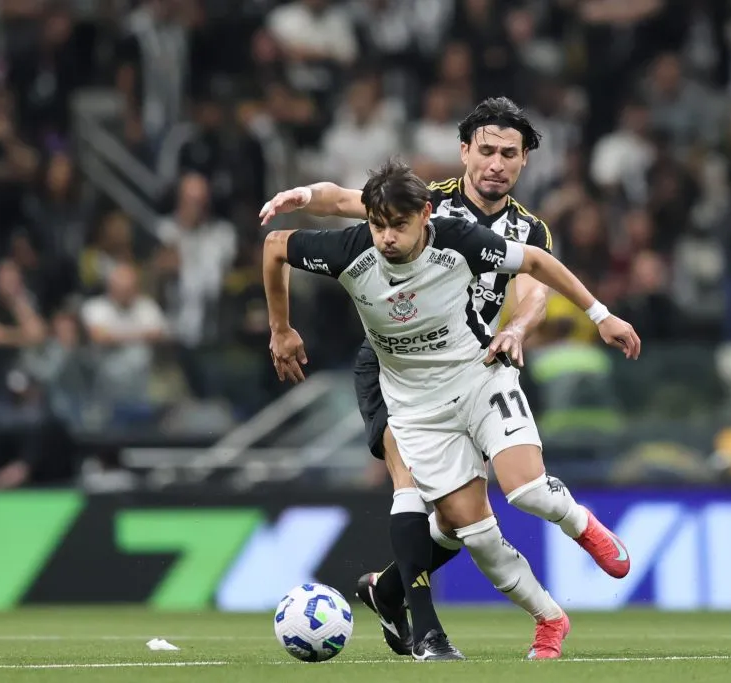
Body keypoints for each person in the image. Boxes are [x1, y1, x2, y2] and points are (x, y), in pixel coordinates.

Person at [259, 98, 634, 657]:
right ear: (465, 151)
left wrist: (523, 329)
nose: (496, 163)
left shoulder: (520, 230)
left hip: (479, 363)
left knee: (516, 495)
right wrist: (305, 197)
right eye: (486, 150)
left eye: (510, 153)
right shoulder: (418, 202)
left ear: (525, 161)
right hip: (395, 371)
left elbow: (533, 287)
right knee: (443, 511)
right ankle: (447, 626)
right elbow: (342, 202)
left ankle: (398, 592)